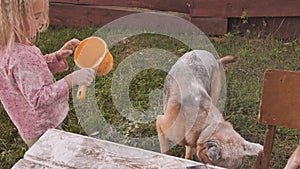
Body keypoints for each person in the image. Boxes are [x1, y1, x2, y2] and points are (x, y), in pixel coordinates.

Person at [0, 0, 95, 147]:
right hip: (42, 130)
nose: (43, 21)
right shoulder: (20, 56)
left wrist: (56, 57)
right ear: (12, 19)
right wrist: (70, 80)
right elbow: (38, 98)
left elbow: (31, 73)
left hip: (30, 125)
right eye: (37, 17)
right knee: (55, 158)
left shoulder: (10, 46)